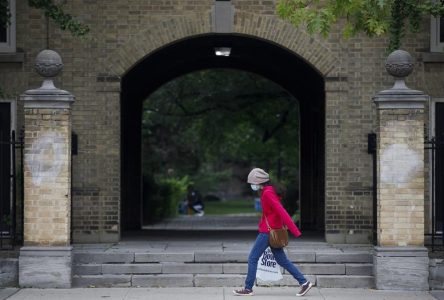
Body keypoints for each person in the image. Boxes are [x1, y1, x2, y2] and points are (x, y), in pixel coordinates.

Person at [233, 168, 312, 297]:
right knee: (282, 260)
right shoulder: (268, 191)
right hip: (273, 230)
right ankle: (304, 282)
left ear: (258, 182)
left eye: (252, 183)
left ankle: (248, 288)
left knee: (252, 258)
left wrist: (294, 230)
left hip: (268, 232)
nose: (252, 186)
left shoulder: (267, 193)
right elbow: (272, 213)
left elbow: (281, 211)